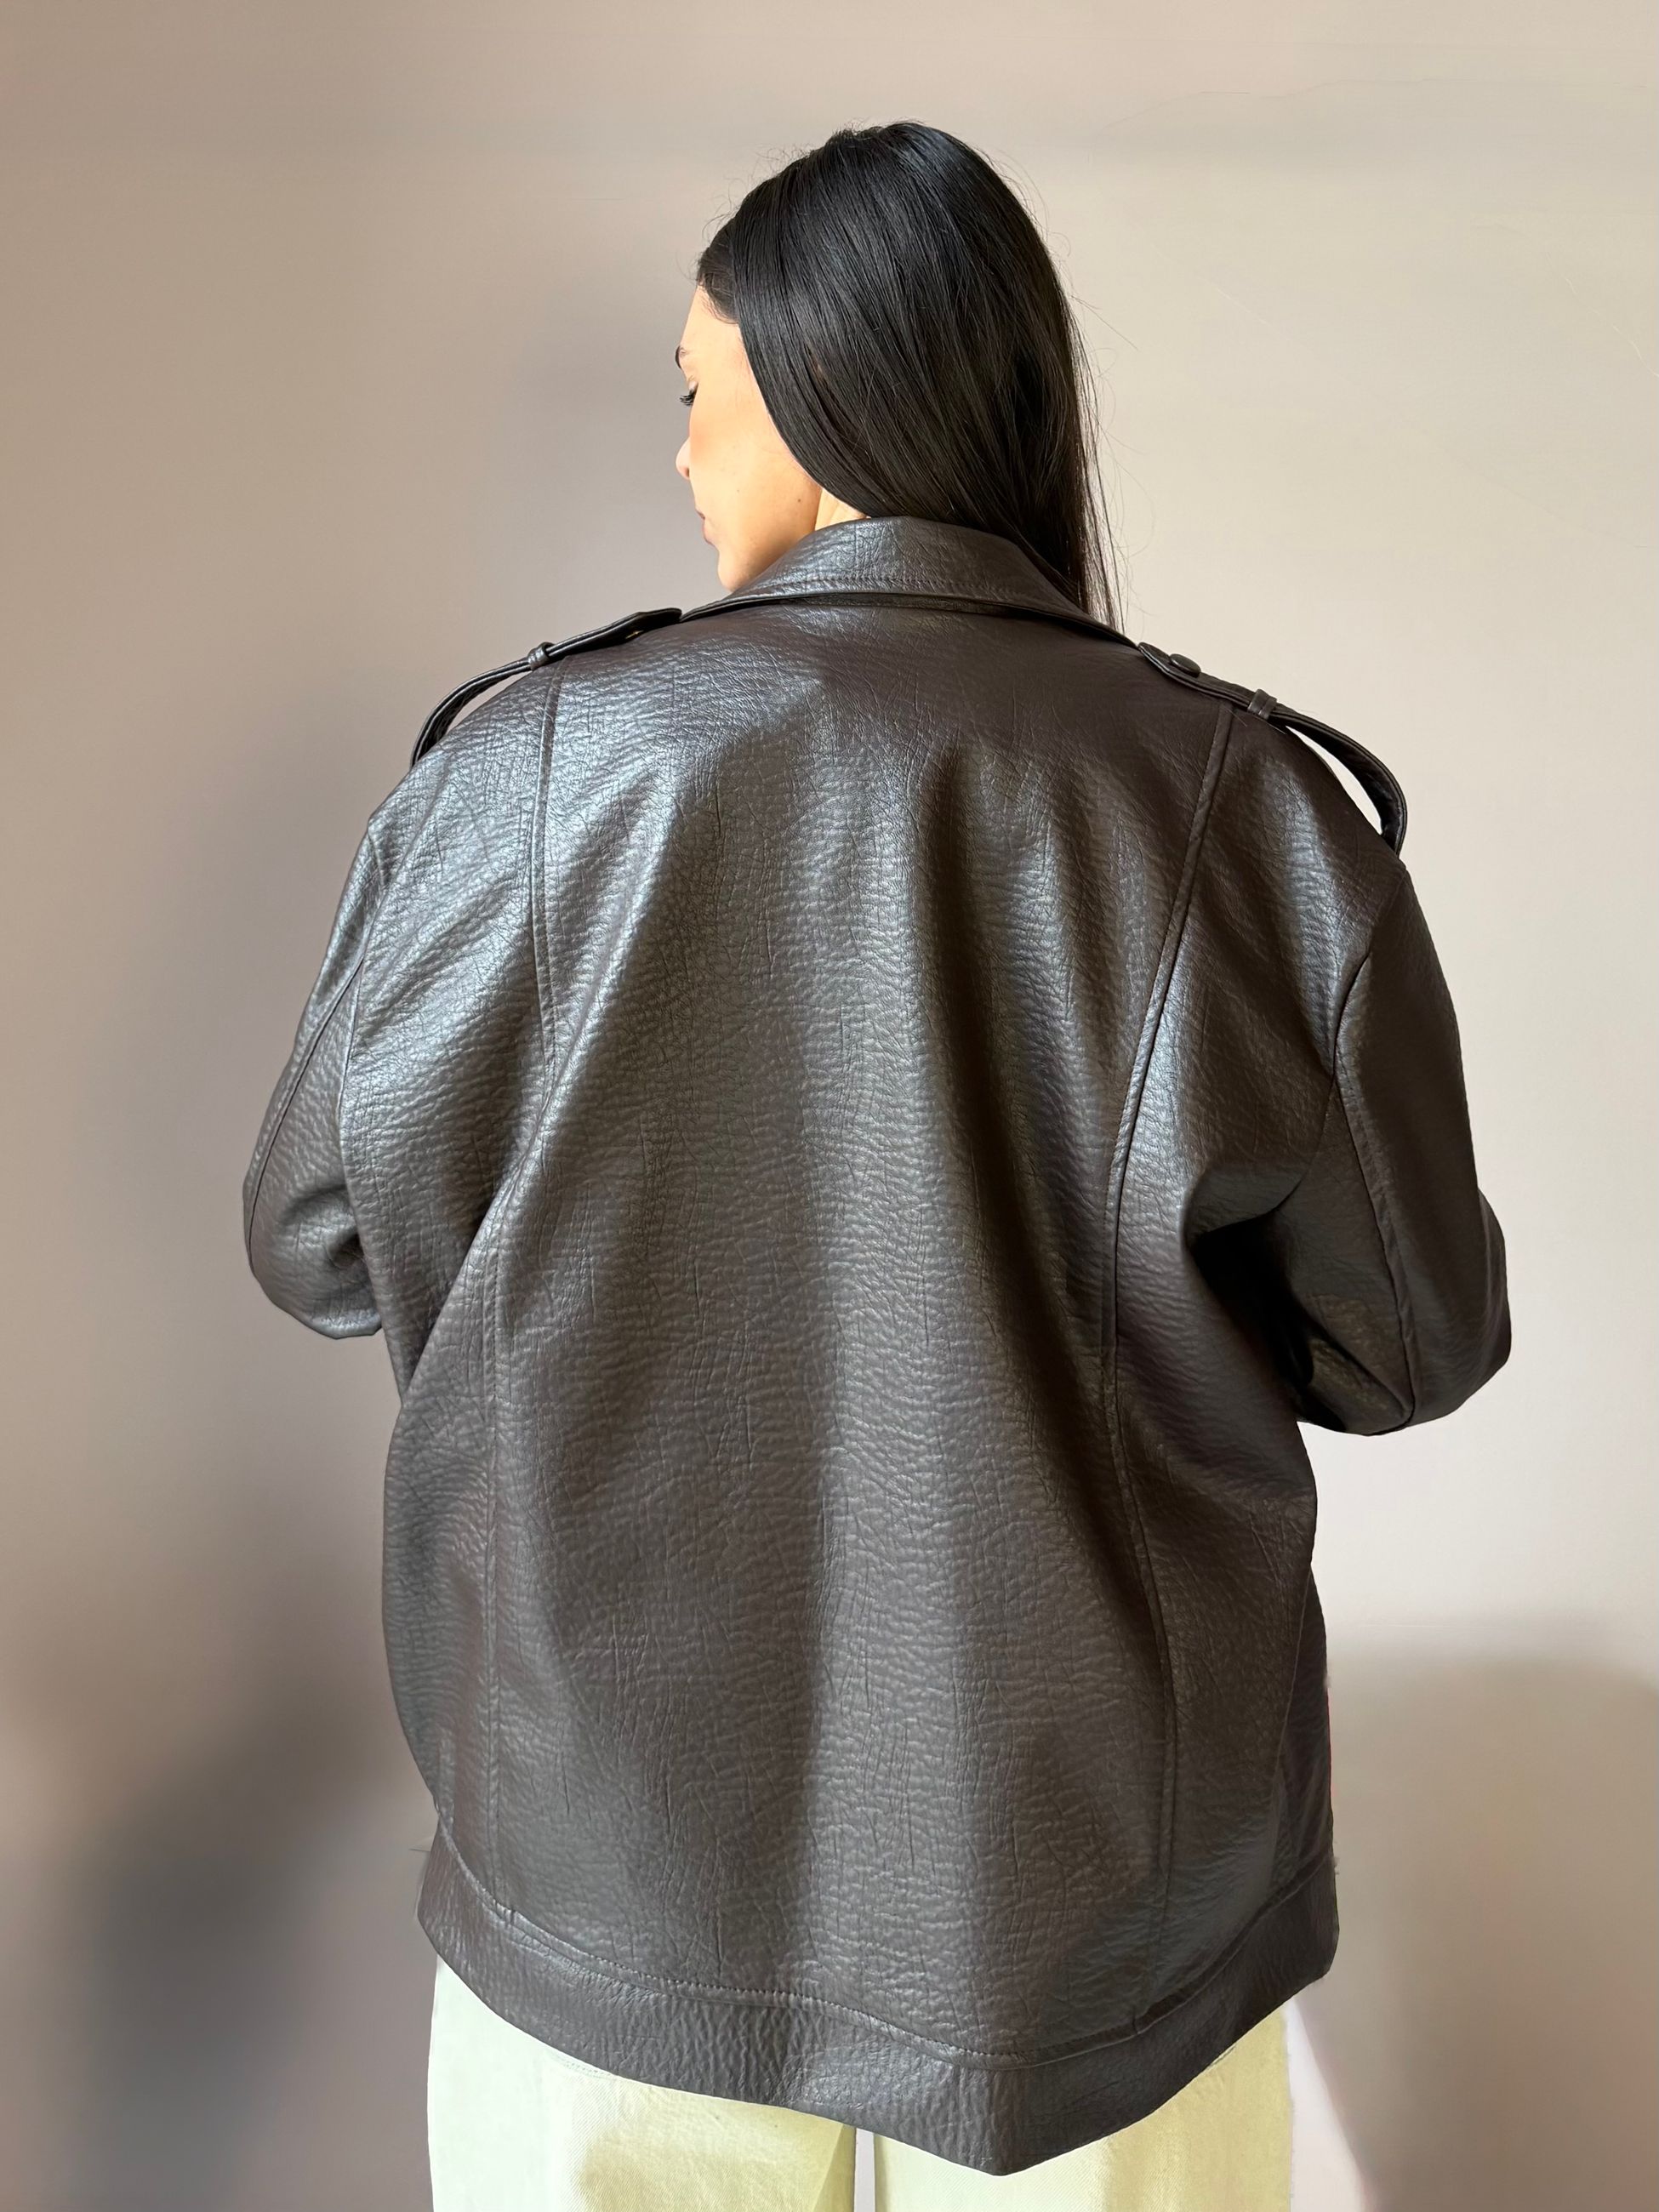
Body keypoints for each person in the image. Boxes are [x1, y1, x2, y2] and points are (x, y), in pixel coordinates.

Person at [242, 121, 1512, 2206]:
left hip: (607, 1895)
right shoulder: (1240, 805)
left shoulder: (526, 771)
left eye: (700, 396)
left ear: (825, 398)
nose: (680, 457)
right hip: (1094, 1940)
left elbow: (314, 1238)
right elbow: (1412, 1342)